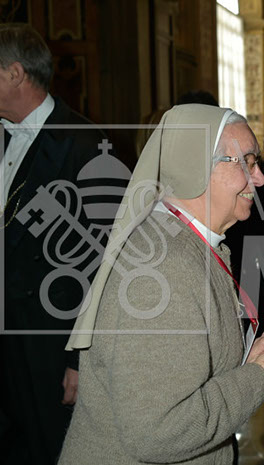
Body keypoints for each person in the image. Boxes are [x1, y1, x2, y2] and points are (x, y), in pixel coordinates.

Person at [58, 104, 264, 464]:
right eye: (245, 162)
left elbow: (193, 367)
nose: (259, 178)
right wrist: (260, 376)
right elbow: (160, 432)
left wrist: (255, 359)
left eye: (256, 162)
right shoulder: (162, 269)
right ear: (196, 166)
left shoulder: (188, 244)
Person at [0, 23, 110, 464]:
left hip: (50, 347)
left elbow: (104, 265)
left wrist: (81, 360)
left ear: (15, 73)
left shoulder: (85, 145)